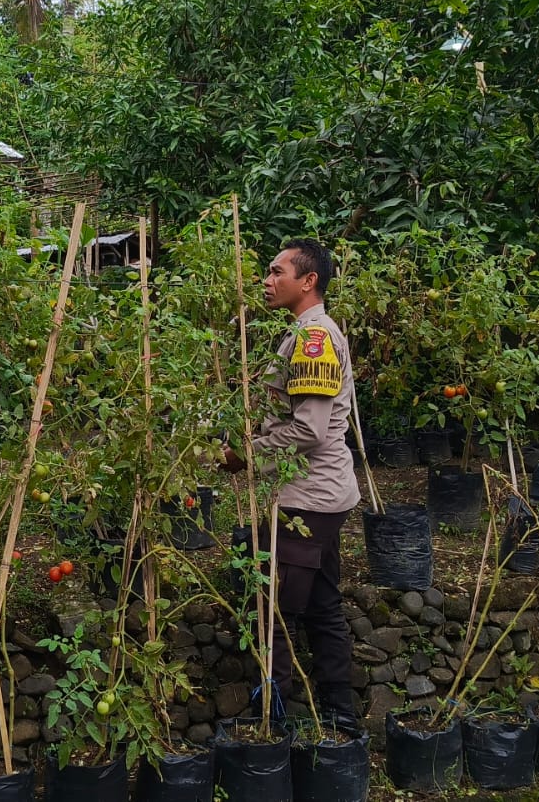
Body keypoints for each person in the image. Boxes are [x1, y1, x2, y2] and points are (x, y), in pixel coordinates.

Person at [223, 238, 360, 729]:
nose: (267, 279)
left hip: (310, 499)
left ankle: (273, 721)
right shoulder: (304, 334)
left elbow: (309, 430)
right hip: (317, 493)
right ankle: (342, 719)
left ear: (309, 281)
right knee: (322, 605)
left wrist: (246, 453)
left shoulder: (314, 338)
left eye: (278, 271)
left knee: (273, 609)